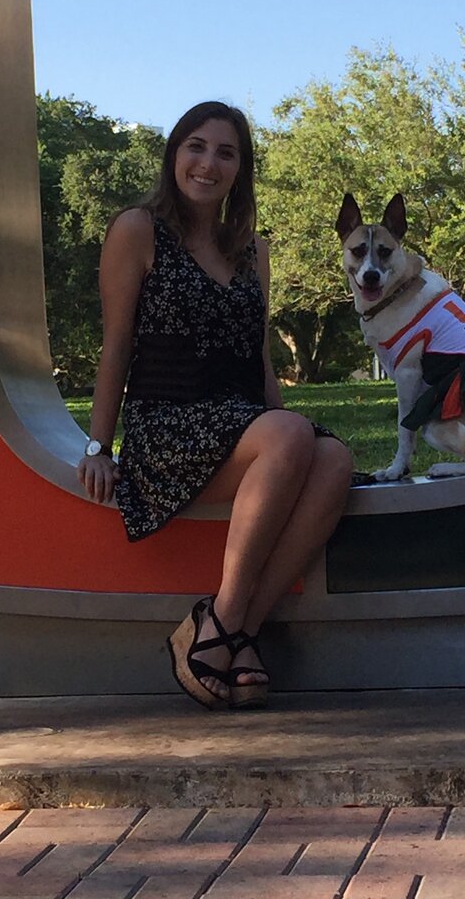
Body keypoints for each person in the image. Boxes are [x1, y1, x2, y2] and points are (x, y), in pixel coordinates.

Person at [77, 101, 353, 710]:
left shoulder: (252, 248)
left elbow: (258, 356)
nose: (208, 163)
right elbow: (116, 343)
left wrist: (294, 431)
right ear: (174, 154)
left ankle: (234, 629)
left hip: (243, 424)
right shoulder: (138, 230)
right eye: (196, 147)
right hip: (168, 428)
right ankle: (226, 621)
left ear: (240, 169)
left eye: (226, 153)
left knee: (333, 459)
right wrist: (98, 445)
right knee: (288, 436)